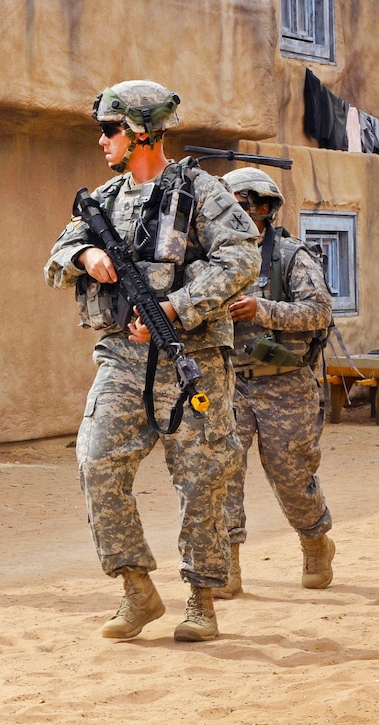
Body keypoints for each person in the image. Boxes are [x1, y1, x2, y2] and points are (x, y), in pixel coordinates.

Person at [44, 80, 260, 642]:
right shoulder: (105, 200)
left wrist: (177, 307)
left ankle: (202, 598)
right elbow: (55, 258)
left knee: (203, 478)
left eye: (110, 129)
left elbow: (241, 258)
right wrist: (86, 254)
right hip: (120, 357)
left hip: (191, 357)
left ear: (141, 132)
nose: (101, 140)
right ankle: (137, 588)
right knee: (96, 462)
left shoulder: (200, 192)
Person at [215, 167, 335, 599]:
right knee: (221, 473)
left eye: (242, 205)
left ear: (264, 208)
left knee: (291, 477)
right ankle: (225, 564)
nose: (234, 213)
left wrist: (261, 309)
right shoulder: (211, 258)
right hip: (228, 383)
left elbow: (319, 312)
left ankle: (315, 540)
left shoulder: (289, 256)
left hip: (285, 385)